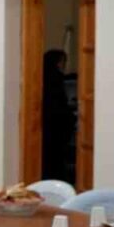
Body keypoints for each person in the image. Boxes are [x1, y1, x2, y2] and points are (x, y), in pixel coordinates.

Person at [41, 49, 74, 182]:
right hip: (57, 123)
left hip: (46, 124)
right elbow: (61, 103)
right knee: (57, 158)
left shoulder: (39, 76)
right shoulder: (57, 78)